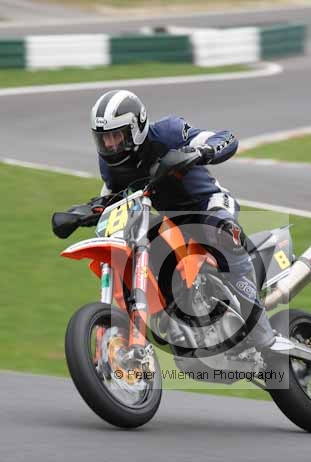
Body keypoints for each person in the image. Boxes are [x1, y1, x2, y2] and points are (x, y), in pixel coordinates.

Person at [75, 89, 285, 354]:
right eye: (104, 139)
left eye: (117, 136)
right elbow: (111, 196)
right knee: (141, 247)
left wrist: (200, 152)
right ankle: (175, 317)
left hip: (207, 204)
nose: (111, 145)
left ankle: (262, 332)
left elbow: (226, 139)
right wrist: (83, 212)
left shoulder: (168, 133)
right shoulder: (109, 165)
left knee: (224, 234)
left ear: (136, 127)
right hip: (169, 221)